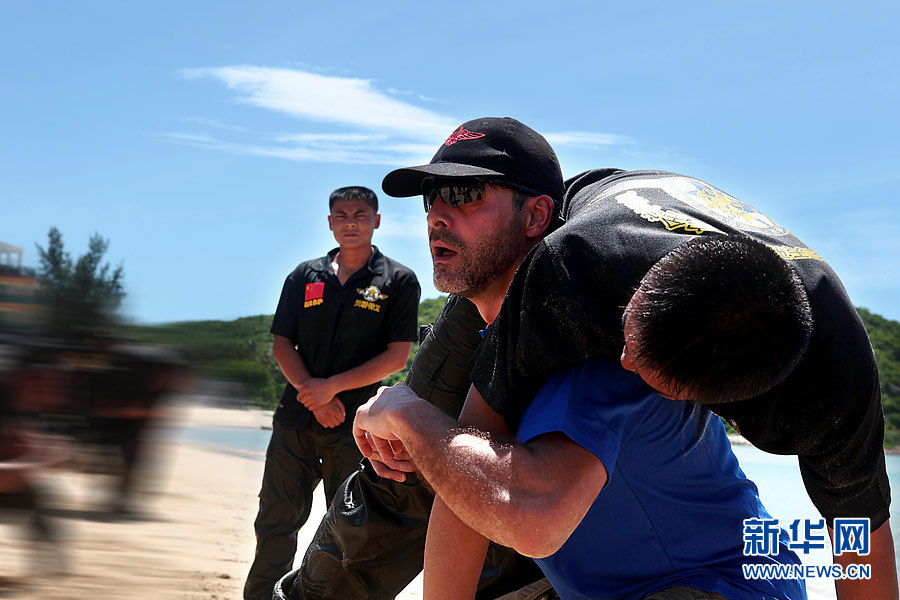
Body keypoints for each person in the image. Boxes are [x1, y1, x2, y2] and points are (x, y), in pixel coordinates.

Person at [354, 117, 807, 600]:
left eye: (464, 194)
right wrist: (426, 434)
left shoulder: (592, 339)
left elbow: (533, 517)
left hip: (715, 587)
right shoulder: (500, 342)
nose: (437, 217)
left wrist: (409, 415)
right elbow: (463, 504)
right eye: (432, 198)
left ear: (535, 217)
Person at [468, 168, 897, 598]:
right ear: (644, 288)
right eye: (628, 333)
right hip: (540, 236)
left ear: (712, 402)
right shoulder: (574, 267)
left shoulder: (835, 395)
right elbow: (474, 436)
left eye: (643, 368)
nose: (622, 359)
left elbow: (858, 538)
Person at [243, 186, 420, 600]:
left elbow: (396, 356)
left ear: (377, 221)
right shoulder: (304, 275)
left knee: (349, 530)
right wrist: (313, 395)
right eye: (341, 215)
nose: (351, 222)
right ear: (329, 222)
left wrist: (331, 389)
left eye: (360, 214)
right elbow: (282, 343)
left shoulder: (397, 280)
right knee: (275, 522)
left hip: (357, 427)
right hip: (295, 420)